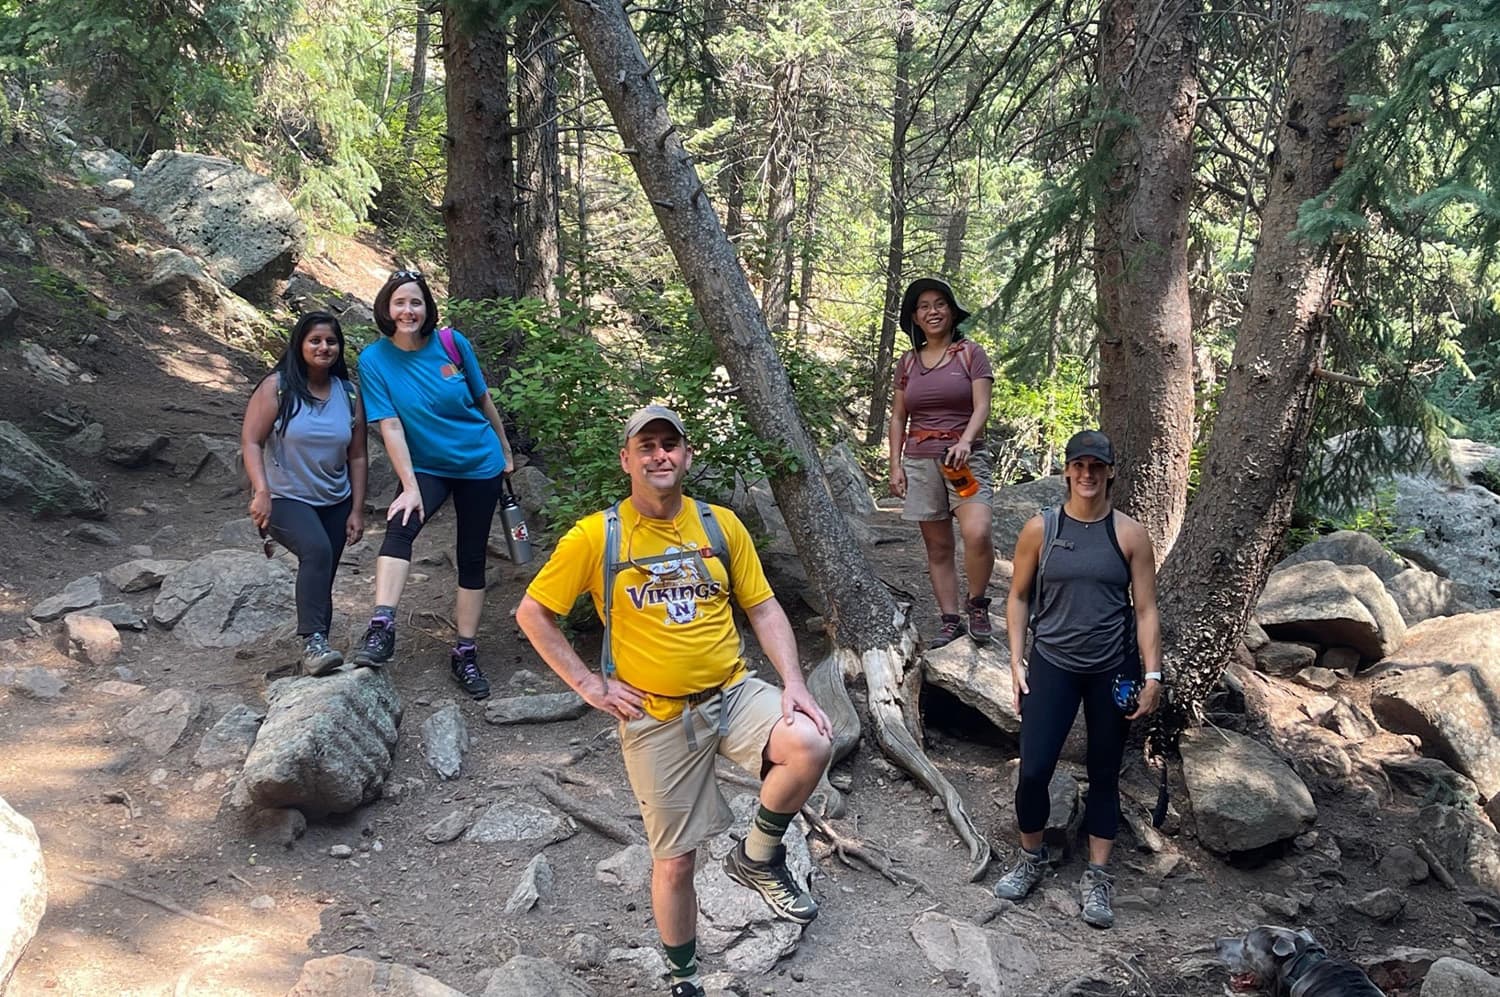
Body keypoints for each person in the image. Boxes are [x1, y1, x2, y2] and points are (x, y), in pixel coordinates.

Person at [516, 405, 833, 997]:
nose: (660, 455)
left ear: (686, 456)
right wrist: (589, 685)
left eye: (670, 445)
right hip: (654, 714)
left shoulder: (720, 525)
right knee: (677, 860)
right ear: (628, 460)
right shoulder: (596, 535)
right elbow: (533, 613)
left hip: (733, 691)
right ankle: (683, 976)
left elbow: (762, 606)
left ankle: (757, 856)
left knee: (810, 740)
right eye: (647, 446)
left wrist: (792, 680)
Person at [994, 429, 1163, 929]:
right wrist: (1015, 659)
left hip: (1113, 668)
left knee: (1105, 771)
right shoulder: (1039, 530)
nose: (1087, 475)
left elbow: (1147, 609)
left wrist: (1153, 673)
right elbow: (1018, 596)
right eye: (1079, 465)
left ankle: (1098, 875)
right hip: (1053, 664)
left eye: (1097, 466)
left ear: (1111, 472)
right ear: (1067, 470)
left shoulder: (1130, 534)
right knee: (1034, 768)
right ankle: (1031, 857)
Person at [350, 268, 515, 700]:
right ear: (387, 307)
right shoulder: (373, 360)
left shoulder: (451, 343)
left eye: (416, 302)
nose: (408, 310)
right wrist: (409, 486)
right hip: (427, 466)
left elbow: (482, 399)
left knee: (471, 555)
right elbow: (389, 425)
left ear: (427, 308)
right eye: (400, 302)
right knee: (400, 527)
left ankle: (465, 652)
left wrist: (505, 449)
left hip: (479, 462)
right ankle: (381, 626)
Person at [241, 311, 368, 675]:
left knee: (322, 569)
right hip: (284, 496)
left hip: (335, 498)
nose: (323, 347)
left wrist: (357, 509)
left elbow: (358, 455)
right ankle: (313, 642)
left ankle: (318, 649)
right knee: (316, 550)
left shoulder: (349, 393)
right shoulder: (277, 387)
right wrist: (261, 491)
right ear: (300, 344)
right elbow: (251, 440)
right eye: (315, 340)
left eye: (331, 341)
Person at [887, 276, 997, 649]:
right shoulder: (907, 362)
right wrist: (895, 465)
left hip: (965, 459)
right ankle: (950, 620)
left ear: (951, 311)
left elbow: (982, 405)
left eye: (939, 304)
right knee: (938, 548)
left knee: (978, 531)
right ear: (915, 318)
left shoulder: (970, 354)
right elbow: (899, 417)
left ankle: (977, 603)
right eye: (924, 307)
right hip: (920, 460)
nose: (932, 312)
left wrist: (966, 441)